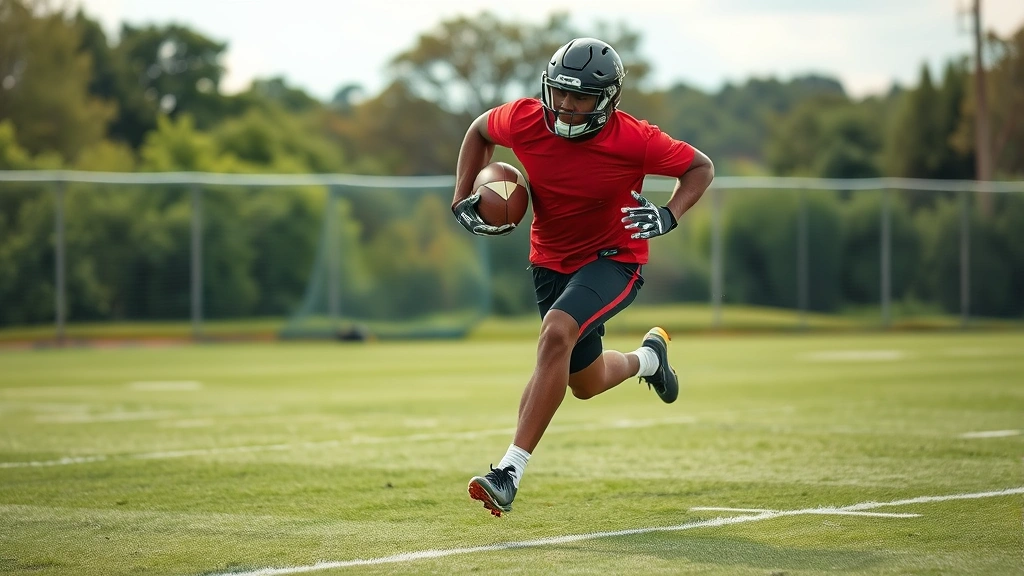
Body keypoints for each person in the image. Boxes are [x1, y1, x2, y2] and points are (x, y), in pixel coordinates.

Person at [451, 37, 714, 517]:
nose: (568, 107)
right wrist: (461, 195)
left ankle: (507, 471)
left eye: (581, 98)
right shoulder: (527, 118)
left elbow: (700, 167)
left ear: (608, 99)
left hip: (616, 258)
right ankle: (649, 361)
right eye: (561, 93)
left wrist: (670, 214)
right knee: (585, 381)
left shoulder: (635, 139)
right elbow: (478, 131)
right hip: (551, 260)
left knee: (556, 332)